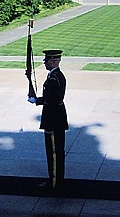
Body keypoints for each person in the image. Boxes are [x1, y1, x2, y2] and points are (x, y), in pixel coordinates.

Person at [27, 49, 68, 190]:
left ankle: (55, 183)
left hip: (54, 119)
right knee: (53, 152)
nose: (45, 63)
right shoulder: (55, 76)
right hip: (54, 117)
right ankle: (54, 180)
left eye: (47, 61)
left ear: (54, 61)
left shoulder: (54, 78)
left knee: (55, 153)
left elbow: (52, 99)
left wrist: (37, 100)